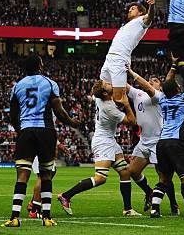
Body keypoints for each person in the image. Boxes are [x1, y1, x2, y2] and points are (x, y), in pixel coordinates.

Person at [2, 54, 79, 227]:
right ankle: (47, 218)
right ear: (40, 65)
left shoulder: (17, 87)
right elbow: (58, 111)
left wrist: (20, 130)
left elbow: (13, 115)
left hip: (26, 131)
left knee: (22, 174)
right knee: (46, 175)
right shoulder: (50, 83)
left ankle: (14, 217)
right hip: (45, 131)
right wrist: (72, 122)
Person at [135, 50, 184, 219]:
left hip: (161, 143)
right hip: (177, 142)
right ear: (177, 88)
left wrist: (174, 65)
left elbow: (167, 82)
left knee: (164, 178)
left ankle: (155, 209)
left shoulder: (162, 98)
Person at [58, 80, 138, 216]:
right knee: (100, 178)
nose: (110, 84)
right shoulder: (109, 108)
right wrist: (126, 104)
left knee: (125, 172)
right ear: (105, 93)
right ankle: (66, 196)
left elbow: (95, 95)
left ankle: (128, 209)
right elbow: (132, 122)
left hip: (110, 140)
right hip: (103, 142)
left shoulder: (100, 98)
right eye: (107, 84)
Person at [125, 67, 180, 216]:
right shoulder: (138, 94)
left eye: (156, 81)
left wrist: (131, 73)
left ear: (160, 86)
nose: (151, 81)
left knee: (164, 177)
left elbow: (148, 88)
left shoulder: (159, 96)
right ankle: (149, 192)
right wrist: (115, 70)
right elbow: (124, 85)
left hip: (158, 141)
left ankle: (173, 203)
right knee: (132, 171)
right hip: (144, 141)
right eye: (151, 79)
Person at [100, 0, 155, 104]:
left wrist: (152, 6)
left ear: (140, 13)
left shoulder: (141, 21)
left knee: (118, 98)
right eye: (129, 8)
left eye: (133, 8)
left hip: (120, 60)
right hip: (109, 59)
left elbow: (150, 17)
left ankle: (126, 120)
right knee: (101, 91)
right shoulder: (125, 26)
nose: (129, 9)